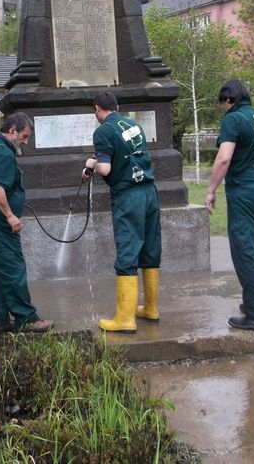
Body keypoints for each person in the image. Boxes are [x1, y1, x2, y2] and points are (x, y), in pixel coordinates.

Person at [82, 91, 162, 333]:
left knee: (128, 250)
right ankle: (151, 308)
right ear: (116, 107)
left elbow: (105, 169)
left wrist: (91, 164)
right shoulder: (133, 125)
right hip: (149, 192)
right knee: (150, 250)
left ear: (97, 109)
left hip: (128, 197)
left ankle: (125, 319)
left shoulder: (103, 130)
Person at [205, 79, 254, 333]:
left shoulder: (233, 119)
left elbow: (224, 158)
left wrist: (211, 190)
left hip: (244, 191)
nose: (223, 109)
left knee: (244, 250)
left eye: (223, 104)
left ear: (229, 100)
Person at [0, 112, 54, 335]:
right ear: (12, 131)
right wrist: (10, 215)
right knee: (12, 267)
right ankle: (26, 319)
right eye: (24, 136)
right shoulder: (3, 153)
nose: (25, 142)